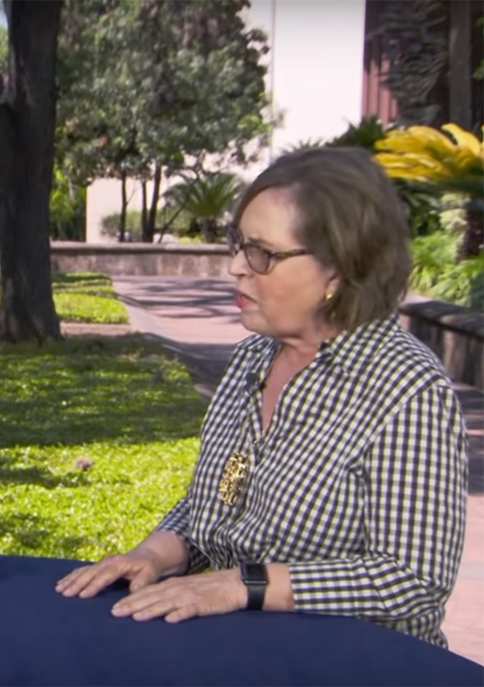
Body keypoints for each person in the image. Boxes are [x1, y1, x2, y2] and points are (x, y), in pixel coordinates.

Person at [56, 147, 468, 648]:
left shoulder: (407, 390)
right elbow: (222, 501)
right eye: (238, 245)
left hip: (358, 665)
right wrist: (155, 555)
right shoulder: (253, 358)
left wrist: (241, 586)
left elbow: (411, 580)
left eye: (261, 254)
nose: (235, 267)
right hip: (239, 652)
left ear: (337, 271)